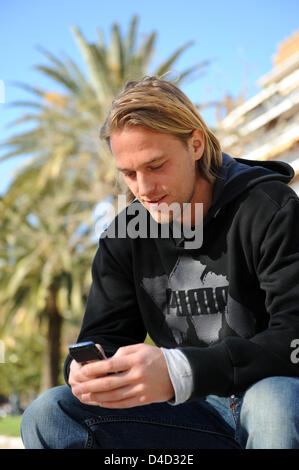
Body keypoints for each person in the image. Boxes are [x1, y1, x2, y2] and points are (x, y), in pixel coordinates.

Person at [21, 76, 299, 449]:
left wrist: (180, 371)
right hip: (191, 415)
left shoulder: (269, 207)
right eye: (129, 174)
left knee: (274, 401)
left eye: (156, 166)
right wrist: (88, 371)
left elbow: (293, 337)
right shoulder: (126, 232)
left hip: (274, 397)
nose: (144, 189)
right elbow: (105, 336)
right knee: (49, 413)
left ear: (195, 144)